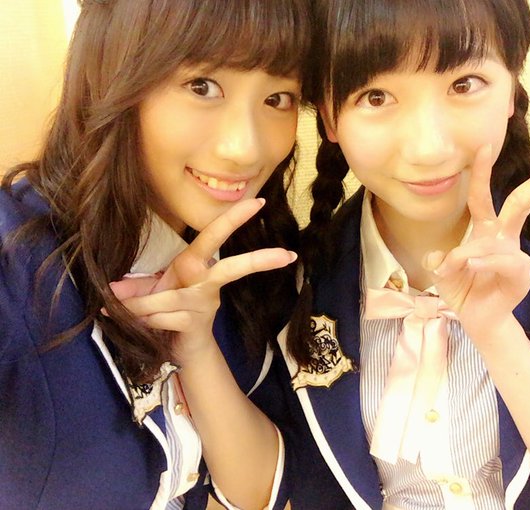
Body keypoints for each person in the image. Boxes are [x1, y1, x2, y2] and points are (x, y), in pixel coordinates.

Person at [274, 0, 530, 508]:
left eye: (464, 84)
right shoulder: (301, 273)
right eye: (376, 97)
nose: (428, 147)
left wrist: (495, 331)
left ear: (512, 85)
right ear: (329, 116)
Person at [0, 0, 308, 508]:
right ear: (111, 75)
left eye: (278, 98)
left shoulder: (252, 258)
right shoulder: (16, 262)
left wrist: (197, 348)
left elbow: (257, 495)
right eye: (202, 86)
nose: (246, 149)